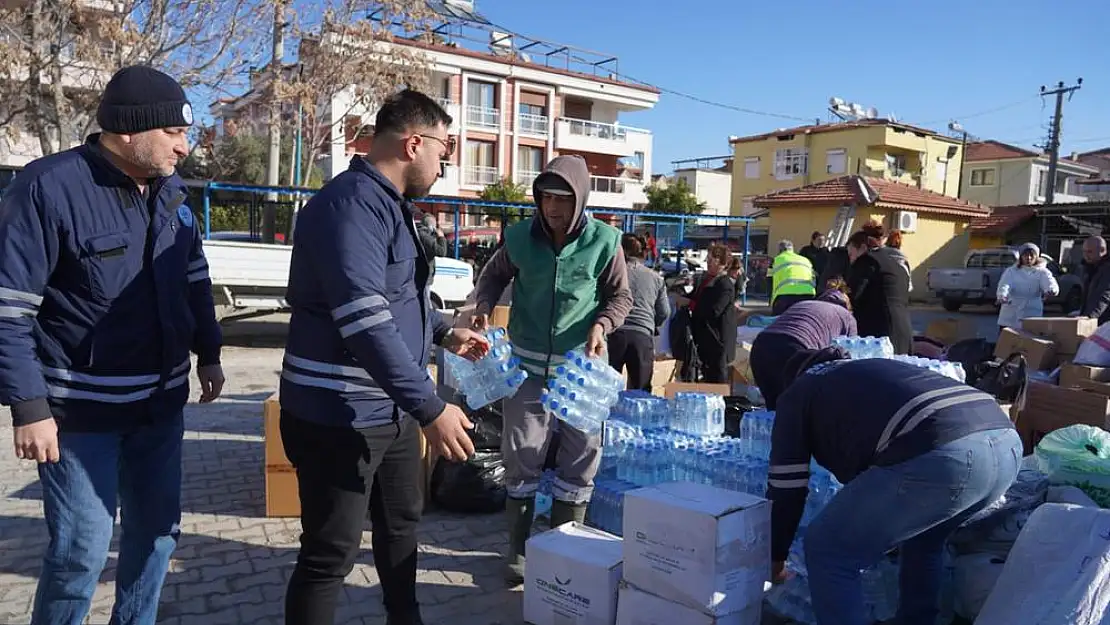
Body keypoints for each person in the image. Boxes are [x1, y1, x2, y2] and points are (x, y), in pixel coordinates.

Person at [0, 66, 225, 624]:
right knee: (80, 554)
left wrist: (211, 351)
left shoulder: (172, 192)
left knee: (156, 541)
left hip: (160, 409)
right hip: (79, 418)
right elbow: (8, 308)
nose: (185, 145)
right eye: (173, 132)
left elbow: (193, 277)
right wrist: (28, 406)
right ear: (128, 132)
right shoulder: (47, 188)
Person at [279, 89, 490, 625]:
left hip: (389, 412)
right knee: (331, 552)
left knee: (401, 529)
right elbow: (362, 319)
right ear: (414, 142)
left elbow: (399, 300)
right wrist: (431, 407)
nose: (446, 162)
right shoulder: (349, 206)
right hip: (337, 415)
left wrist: (444, 332)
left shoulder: (391, 207)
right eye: (444, 149)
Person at [470, 154, 632, 586]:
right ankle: (519, 551)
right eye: (546, 198)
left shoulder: (605, 241)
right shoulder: (520, 237)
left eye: (563, 198)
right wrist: (483, 305)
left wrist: (602, 324)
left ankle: (566, 547)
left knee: (580, 458)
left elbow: (621, 298)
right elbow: (491, 278)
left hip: (579, 370)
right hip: (525, 368)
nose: (553, 208)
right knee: (521, 454)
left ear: (579, 200)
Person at [767, 352, 1022, 625]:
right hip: (1007, 443)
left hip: (945, 454)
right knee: (925, 539)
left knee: (828, 550)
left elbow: (787, 488)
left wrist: (775, 559)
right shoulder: (866, 371)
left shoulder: (799, 392)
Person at [748, 280, 856, 409]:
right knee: (798, 409)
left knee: (772, 411)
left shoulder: (804, 304)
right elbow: (851, 357)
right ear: (847, 305)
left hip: (761, 346)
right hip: (796, 348)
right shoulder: (846, 317)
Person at [609, 234, 670, 391]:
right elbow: (664, 312)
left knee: (606, 388)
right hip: (642, 335)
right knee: (640, 393)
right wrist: (651, 324)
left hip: (614, 333)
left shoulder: (611, 273)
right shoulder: (656, 278)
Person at [845, 226, 912, 354]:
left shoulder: (867, 261)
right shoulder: (895, 263)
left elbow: (852, 295)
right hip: (903, 332)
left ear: (863, 248)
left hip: (879, 335)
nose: (851, 260)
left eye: (851, 254)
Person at [689, 243, 739, 383]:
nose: (708, 264)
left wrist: (690, 304)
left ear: (722, 263)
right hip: (706, 340)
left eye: (711, 261)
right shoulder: (706, 280)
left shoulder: (725, 285)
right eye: (707, 260)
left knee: (717, 380)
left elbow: (714, 311)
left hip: (718, 341)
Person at [996, 242, 1059, 331]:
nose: (1028, 258)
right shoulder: (1011, 271)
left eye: (1031, 255)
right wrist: (1002, 295)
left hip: (1032, 314)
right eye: (1025, 255)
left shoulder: (1042, 272)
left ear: (1037, 257)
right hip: (1010, 316)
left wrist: (1051, 290)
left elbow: (1050, 282)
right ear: (1021, 256)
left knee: (1030, 343)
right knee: (1008, 343)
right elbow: (1004, 284)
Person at [770, 239, 816, 315]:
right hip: (808, 294)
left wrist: (772, 302)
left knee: (779, 321)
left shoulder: (776, 260)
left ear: (780, 250)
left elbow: (769, 280)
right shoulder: (805, 260)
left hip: (785, 295)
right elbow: (813, 277)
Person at [1080, 235, 1110, 322]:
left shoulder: (1107, 270)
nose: (1086, 255)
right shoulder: (1090, 269)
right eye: (1084, 251)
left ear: (1102, 250)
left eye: (1089, 252)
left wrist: (1090, 315)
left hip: (1105, 321)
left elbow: (1104, 295)